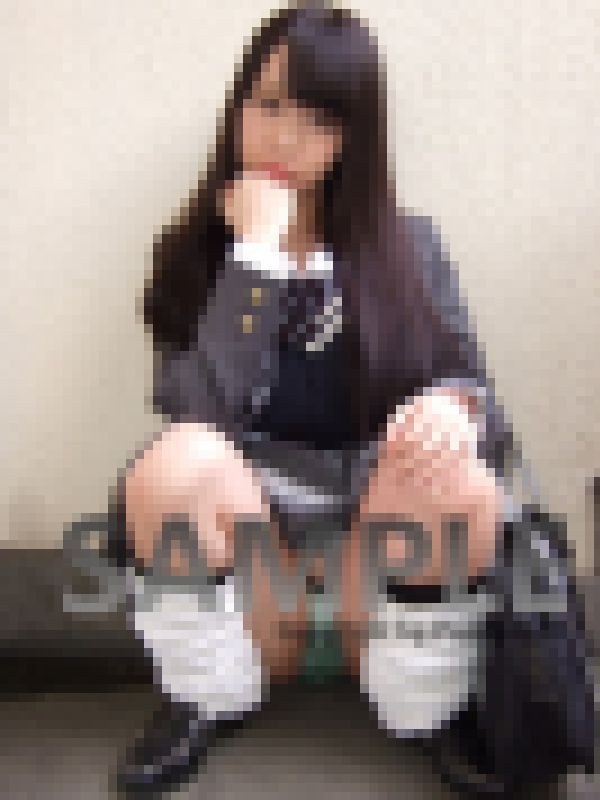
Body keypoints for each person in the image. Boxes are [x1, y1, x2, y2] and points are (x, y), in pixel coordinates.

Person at [113, 3, 595, 796]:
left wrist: (449, 406)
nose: (284, 137)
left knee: (456, 468)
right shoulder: (194, 254)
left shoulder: (410, 245)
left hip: (382, 567)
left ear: (353, 137)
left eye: (319, 118)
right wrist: (256, 257)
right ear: (238, 106)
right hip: (257, 571)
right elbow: (199, 413)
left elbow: (471, 384)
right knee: (177, 458)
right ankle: (204, 695)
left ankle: (428, 707)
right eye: (269, 105)